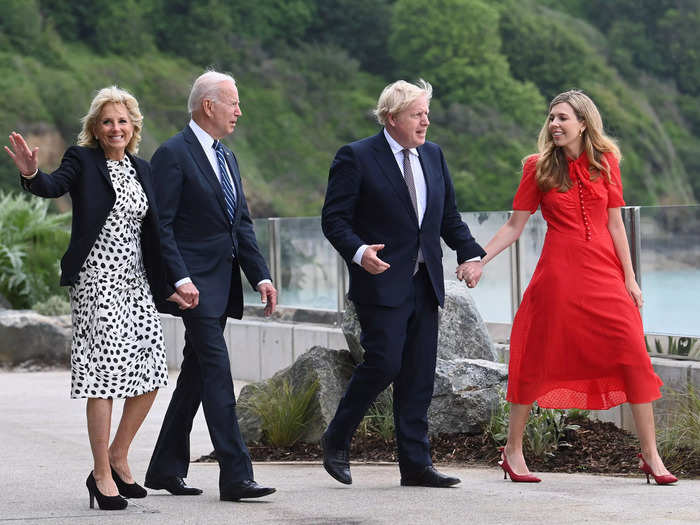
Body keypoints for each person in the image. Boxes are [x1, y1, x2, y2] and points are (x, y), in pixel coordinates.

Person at [459, 89, 677, 485]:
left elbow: (615, 224)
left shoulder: (607, 162)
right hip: (558, 276)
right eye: (551, 117)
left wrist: (630, 278)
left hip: (605, 273)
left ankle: (651, 456)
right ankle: (512, 451)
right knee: (537, 356)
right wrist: (479, 259)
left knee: (631, 353)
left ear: (583, 123)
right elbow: (514, 226)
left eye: (562, 118)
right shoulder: (536, 167)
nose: (554, 124)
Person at [4, 87, 187, 510]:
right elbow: (52, 186)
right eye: (107, 121)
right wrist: (32, 174)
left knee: (152, 371)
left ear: (133, 127)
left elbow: (159, 234)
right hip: (97, 281)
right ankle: (101, 474)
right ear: (95, 128)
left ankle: (118, 456)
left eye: (122, 121)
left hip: (137, 282)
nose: (115, 128)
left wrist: (177, 281)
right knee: (103, 376)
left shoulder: (142, 169)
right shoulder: (81, 160)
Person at [321, 79, 485, 487]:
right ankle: (336, 439)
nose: (426, 120)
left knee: (418, 375)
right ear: (392, 118)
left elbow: (448, 217)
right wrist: (360, 253)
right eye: (417, 114)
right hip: (380, 281)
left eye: (427, 113)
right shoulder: (356, 156)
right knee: (384, 363)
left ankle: (416, 465)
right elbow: (334, 220)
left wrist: (470, 253)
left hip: (425, 282)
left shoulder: (433, 155)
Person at [144, 70, 277, 502]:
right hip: (192, 287)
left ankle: (165, 467)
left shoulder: (228, 158)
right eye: (233, 102)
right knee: (218, 371)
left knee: (197, 376)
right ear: (208, 105)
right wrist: (178, 277)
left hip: (222, 286)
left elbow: (241, 224)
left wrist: (261, 275)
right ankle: (236, 475)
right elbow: (160, 225)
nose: (239, 110)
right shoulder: (173, 154)